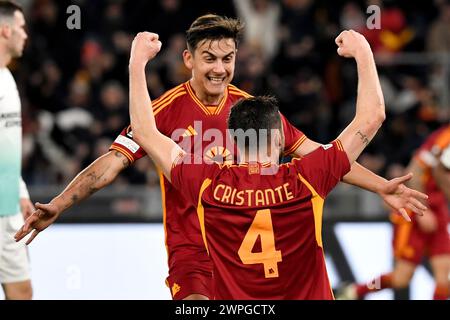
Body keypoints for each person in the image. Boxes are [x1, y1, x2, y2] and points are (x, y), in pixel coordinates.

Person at [16, 15, 427, 300]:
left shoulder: (253, 112)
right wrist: (60, 203)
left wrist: (378, 186)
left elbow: (315, 156)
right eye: (209, 58)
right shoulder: (166, 109)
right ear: (189, 59)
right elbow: (111, 162)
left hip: (248, 250)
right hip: (192, 249)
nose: (219, 68)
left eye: (227, 59)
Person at [127, 29, 421, 298]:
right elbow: (372, 117)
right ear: (279, 139)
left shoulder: (207, 184)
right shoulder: (307, 177)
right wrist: (363, 52)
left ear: (233, 139)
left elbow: (144, 131)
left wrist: (137, 63)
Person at [337, 125, 450, 300]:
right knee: (400, 279)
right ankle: (356, 292)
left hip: (439, 210)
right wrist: (423, 208)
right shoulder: (444, 137)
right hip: (415, 209)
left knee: (444, 278)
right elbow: (416, 167)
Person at [0, 1, 33, 300]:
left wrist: (19, 190)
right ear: (5, 30)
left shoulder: (8, 78)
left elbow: (6, 145)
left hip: (8, 209)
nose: (25, 34)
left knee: (22, 291)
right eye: (21, 28)